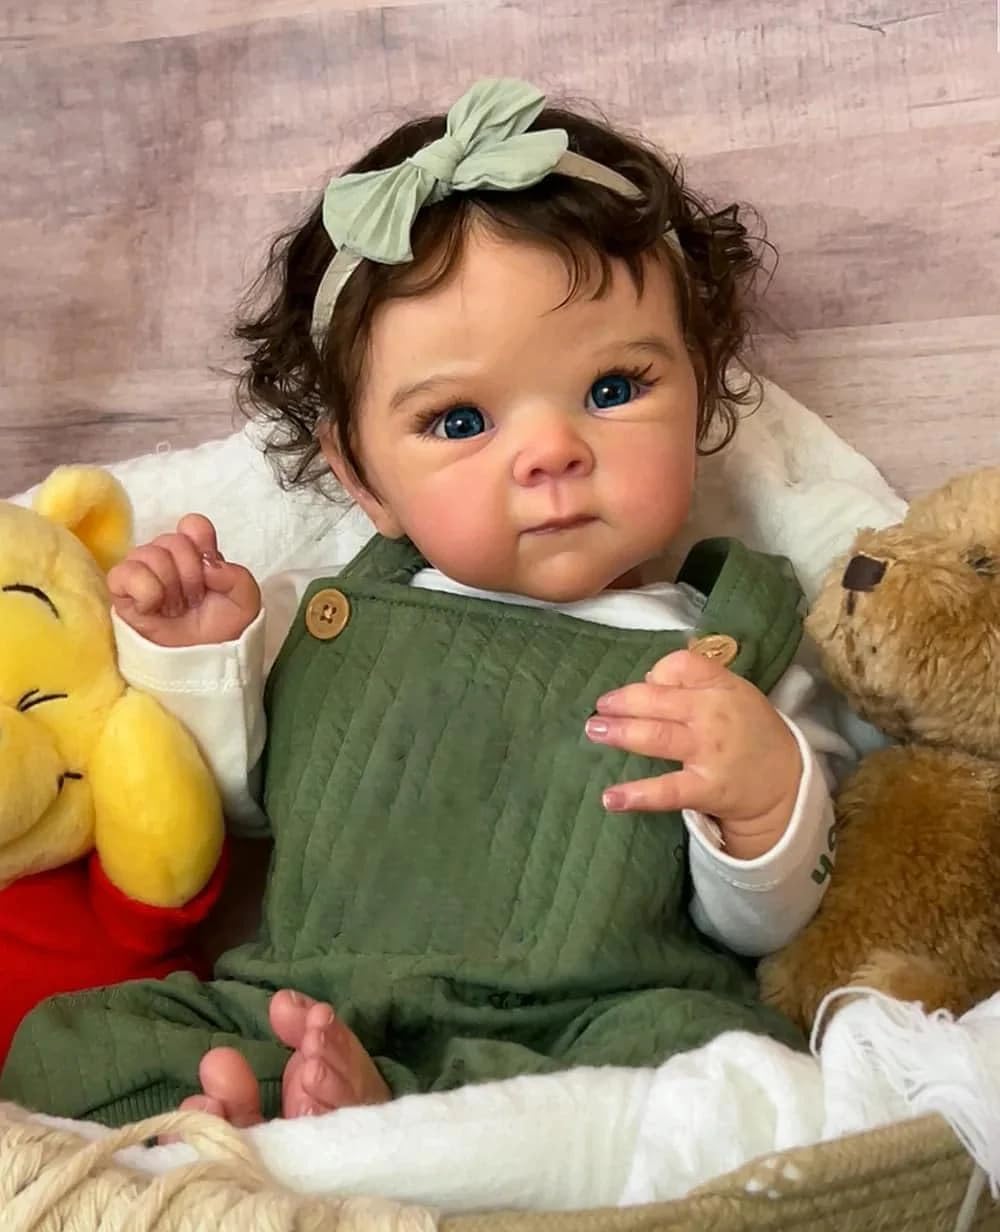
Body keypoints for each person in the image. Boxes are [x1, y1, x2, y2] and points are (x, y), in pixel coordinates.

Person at [1, 78, 851, 1128]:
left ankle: (363, 1133)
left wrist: (762, 800)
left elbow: (767, 924)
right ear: (362, 479)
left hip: (583, 1027)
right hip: (312, 1004)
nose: (550, 452)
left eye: (613, 389)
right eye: (459, 421)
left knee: (733, 1059)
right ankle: (331, 1115)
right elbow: (236, 806)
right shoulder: (321, 616)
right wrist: (201, 658)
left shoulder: (727, 645)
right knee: (66, 1043)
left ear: (702, 388)